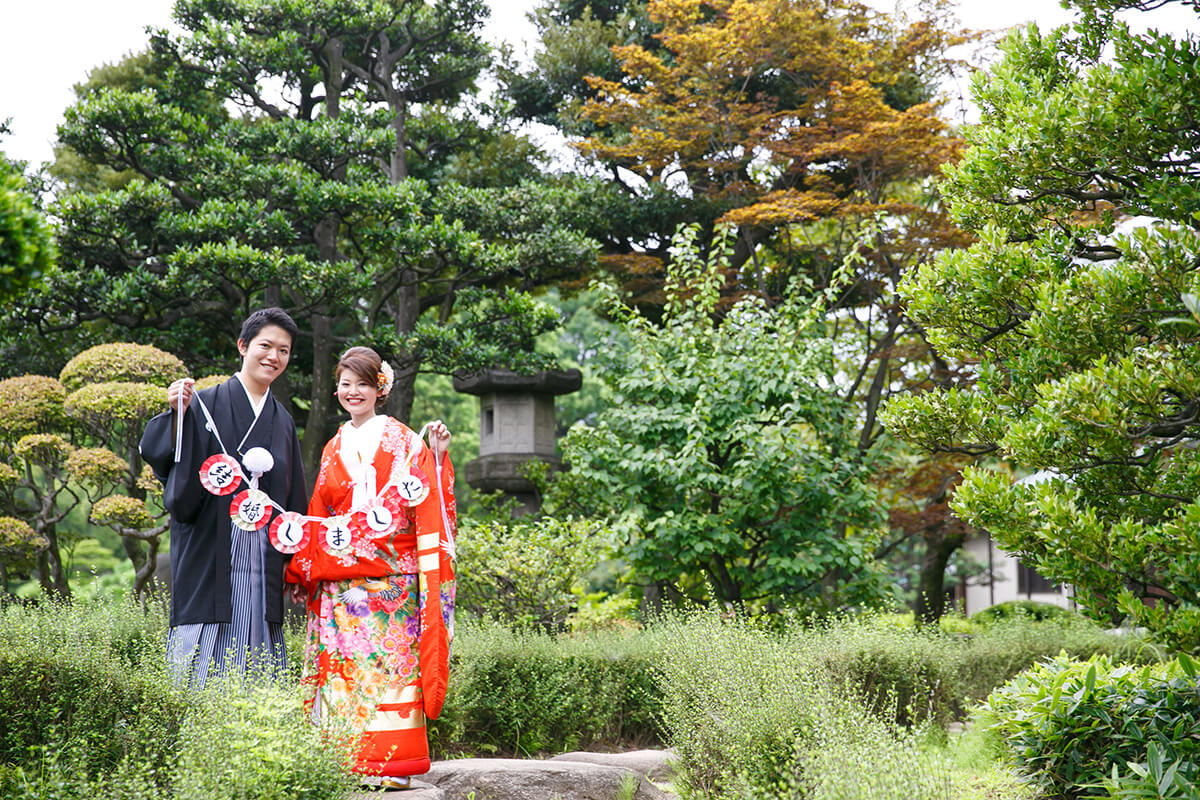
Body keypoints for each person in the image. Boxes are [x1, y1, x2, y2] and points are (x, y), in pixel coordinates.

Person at [285, 346, 456, 788]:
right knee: (344, 672)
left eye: (362, 383)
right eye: (345, 384)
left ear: (380, 388)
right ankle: (344, 762)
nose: (352, 391)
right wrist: (304, 565)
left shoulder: (406, 440)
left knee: (391, 670)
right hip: (341, 582)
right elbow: (320, 511)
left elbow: (426, 499)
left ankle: (392, 767)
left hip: (391, 582)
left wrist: (436, 461)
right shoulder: (333, 445)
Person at [140, 307, 307, 687]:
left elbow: (293, 496)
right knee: (205, 643)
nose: (274, 357)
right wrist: (177, 413)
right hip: (212, 549)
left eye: (284, 351)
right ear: (243, 346)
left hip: (263, 558)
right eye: (265, 346)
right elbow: (160, 453)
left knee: (259, 633)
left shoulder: (281, 420)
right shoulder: (203, 404)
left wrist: (293, 560)